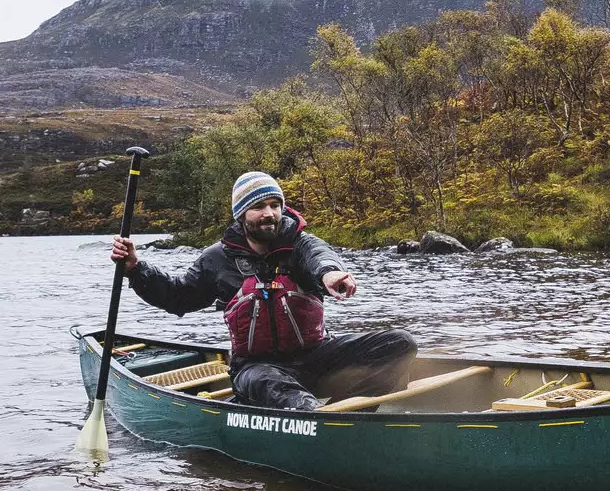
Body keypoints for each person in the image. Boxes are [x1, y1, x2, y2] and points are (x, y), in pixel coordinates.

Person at [112, 171, 416, 412]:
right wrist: (136, 268)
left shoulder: (300, 243)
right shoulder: (217, 259)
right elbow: (176, 297)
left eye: (275, 205)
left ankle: (346, 415)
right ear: (241, 214)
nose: (269, 213)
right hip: (256, 369)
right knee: (273, 385)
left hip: (317, 358)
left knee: (400, 344)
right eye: (258, 207)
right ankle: (310, 414)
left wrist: (331, 274)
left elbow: (321, 259)